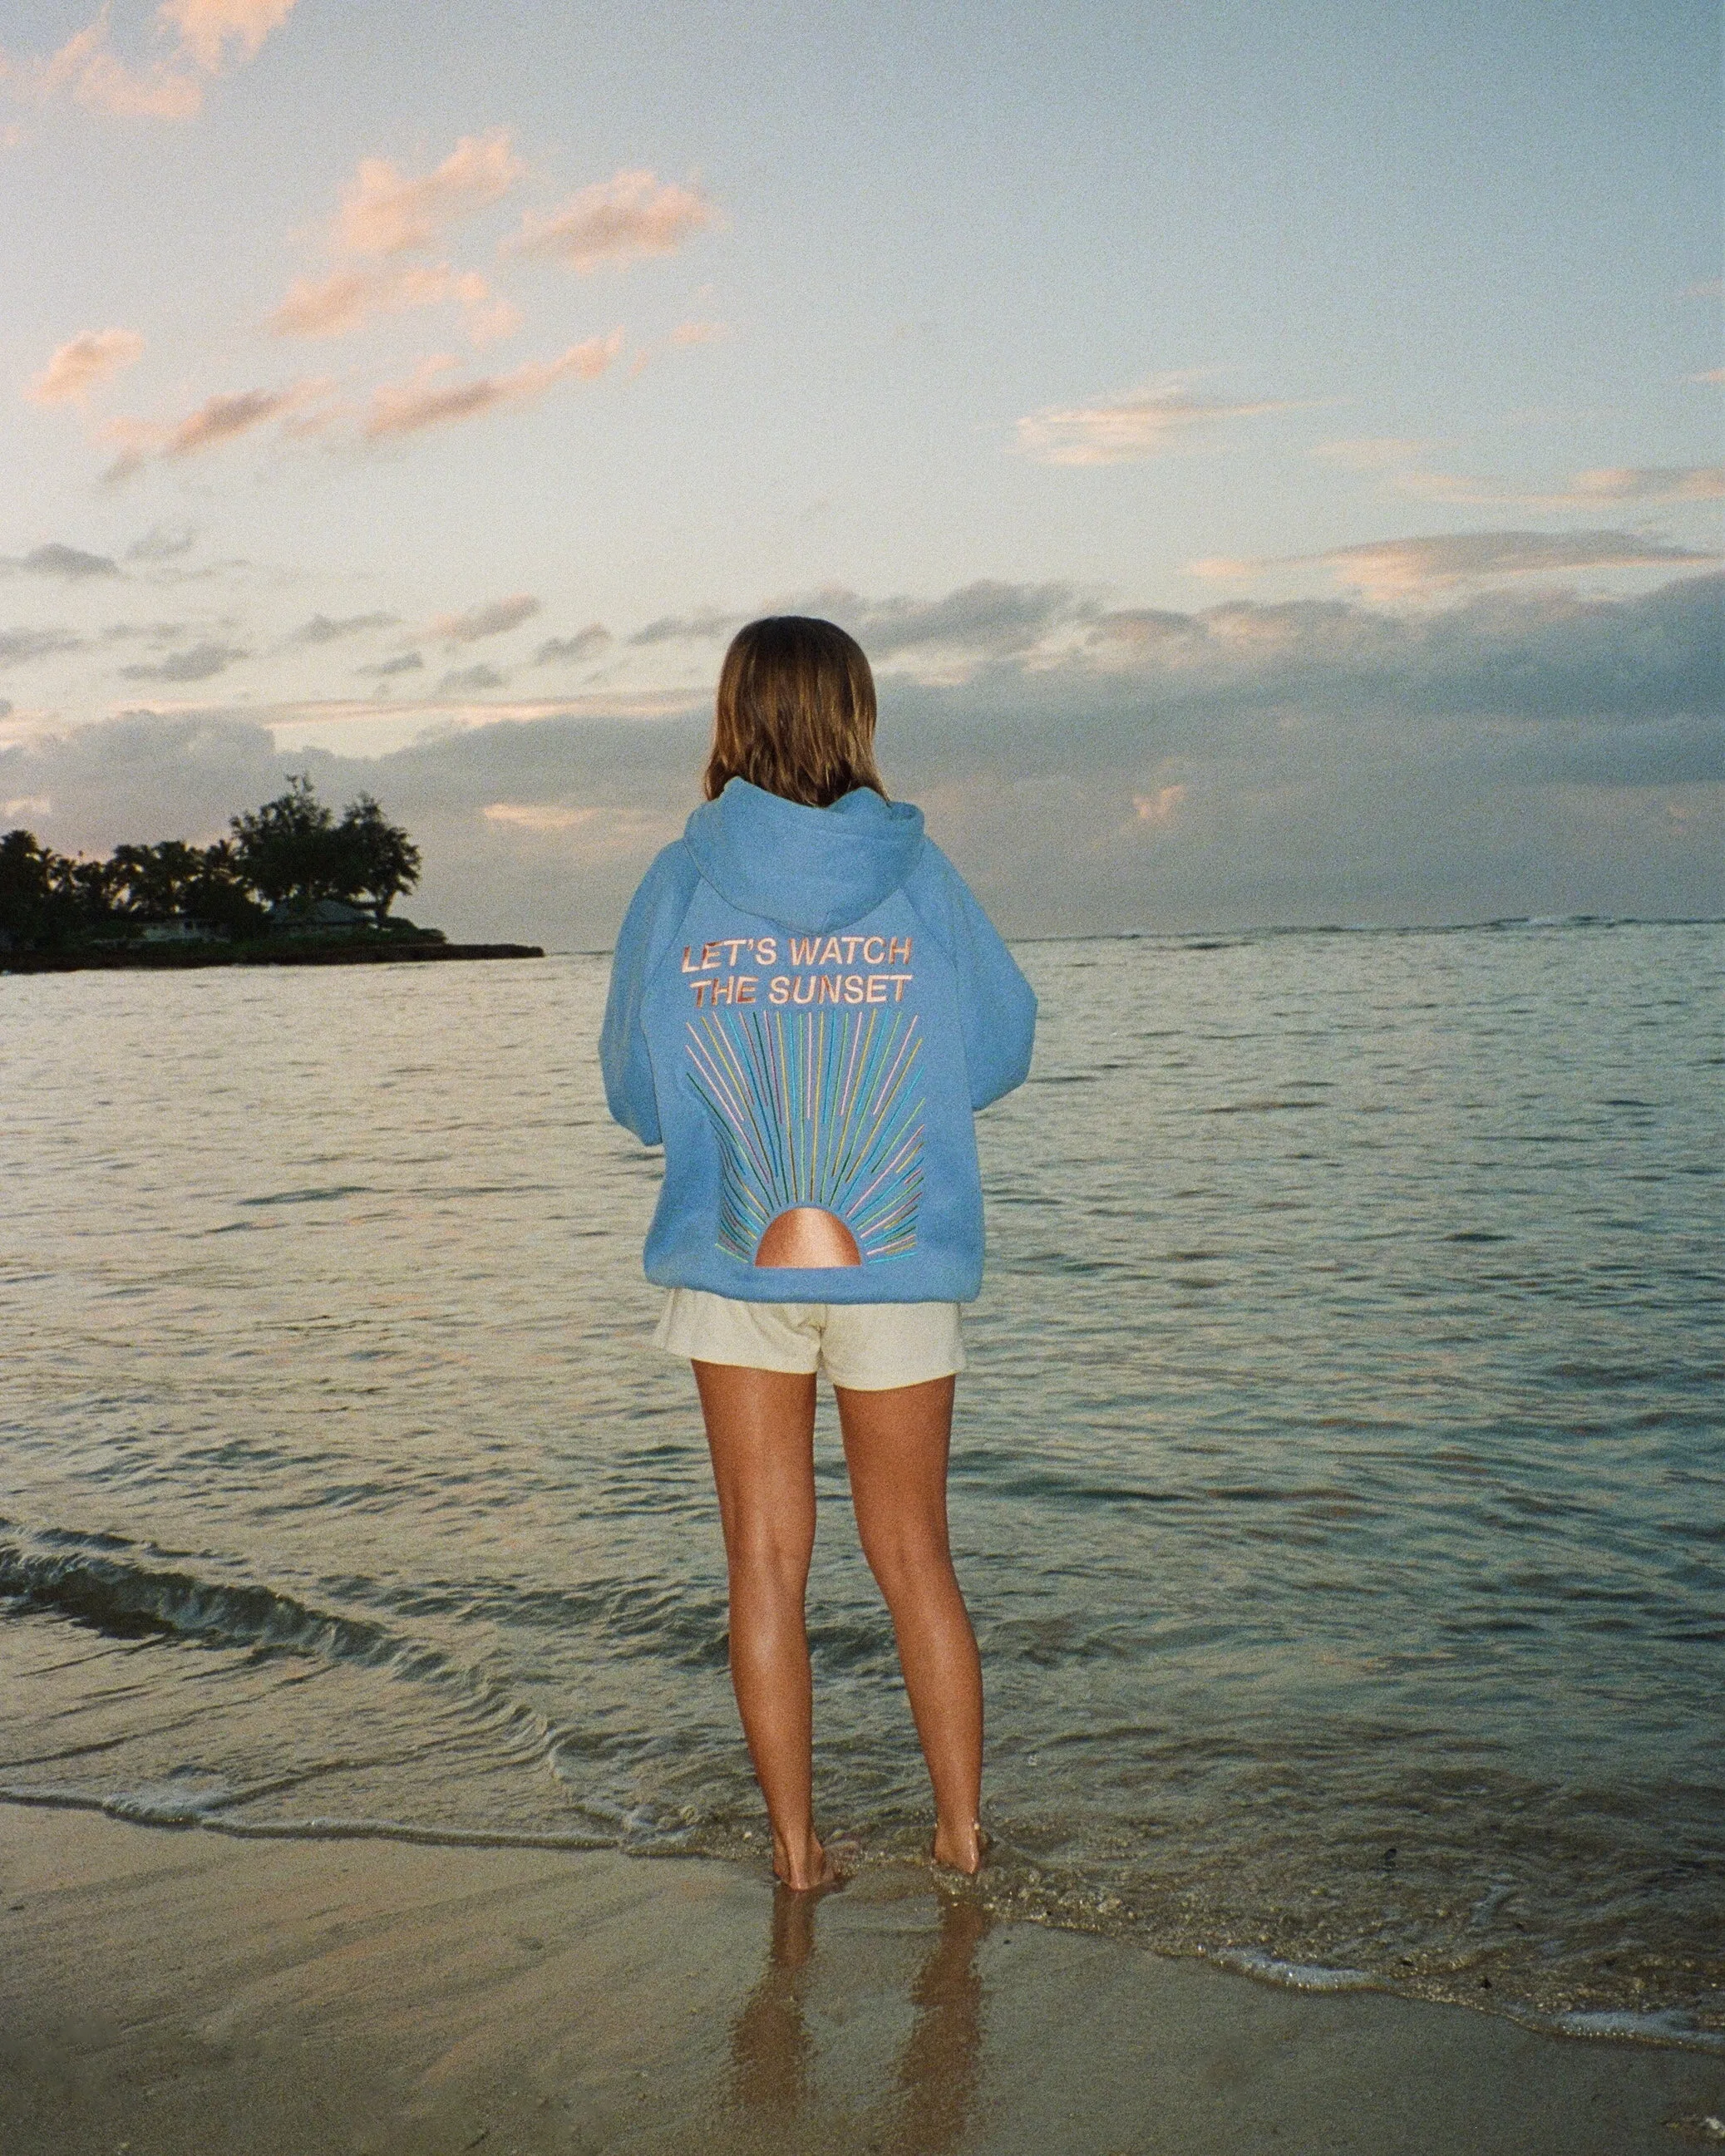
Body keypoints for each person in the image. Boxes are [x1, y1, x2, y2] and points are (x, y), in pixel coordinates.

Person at [600, 616, 1036, 1890]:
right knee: (914, 1557)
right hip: (896, 1260)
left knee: (763, 1561)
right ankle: (959, 1838)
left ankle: (796, 1856)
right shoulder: (919, 874)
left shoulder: (682, 877)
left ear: (731, 714)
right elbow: (1002, 1047)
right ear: (857, 715)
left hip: (734, 1266)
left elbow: (634, 1084)